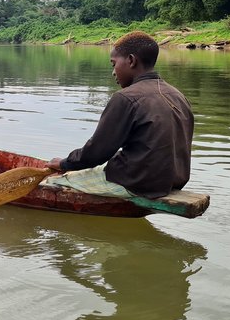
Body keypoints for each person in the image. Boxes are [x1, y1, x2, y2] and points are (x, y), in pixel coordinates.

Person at [44, 31, 194, 199]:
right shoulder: (177, 95)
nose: (113, 72)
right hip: (173, 180)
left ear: (131, 60)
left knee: (51, 183)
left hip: (137, 183)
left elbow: (97, 152)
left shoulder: (125, 98)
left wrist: (64, 163)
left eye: (113, 64)